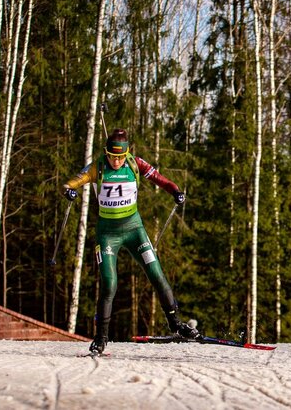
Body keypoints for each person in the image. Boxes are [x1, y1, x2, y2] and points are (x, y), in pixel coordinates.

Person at [63, 128, 200, 355]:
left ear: (127, 154)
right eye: (111, 156)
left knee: (156, 272)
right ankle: (100, 338)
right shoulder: (98, 166)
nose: (115, 161)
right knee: (109, 283)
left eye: (119, 157)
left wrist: (175, 191)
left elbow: (160, 179)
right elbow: (72, 182)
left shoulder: (135, 163)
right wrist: (68, 191)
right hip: (108, 234)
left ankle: (176, 324)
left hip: (135, 230)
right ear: (106, 152)